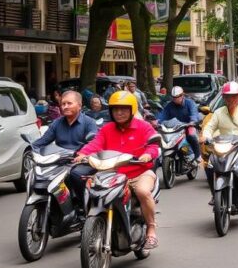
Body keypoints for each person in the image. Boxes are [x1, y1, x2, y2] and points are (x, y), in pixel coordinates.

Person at [73, 92, 161, 248]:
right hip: (111, 174)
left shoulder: (144, 127)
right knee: (90, 187)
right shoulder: (107, 129)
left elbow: (153, 145)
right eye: (115, 109)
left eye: (123, 109)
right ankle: (90, 229)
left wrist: (148, 154)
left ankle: (151, 230)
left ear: (132, 109)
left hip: (139, 173)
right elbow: (96, 144)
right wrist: (83, 154)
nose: (119, 113)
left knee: (142, 191)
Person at [201, 82, 238, 206]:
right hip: (224, 147)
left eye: (234, 96)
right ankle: (214, 194)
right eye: (228, 96)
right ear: (223, 97)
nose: (231, 99)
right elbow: (209, 127)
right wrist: (205, 136)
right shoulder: (218, 112)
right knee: (209, 165)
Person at [32, 91, 97, 155]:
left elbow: (94, 144)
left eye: (69, 103)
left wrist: (83, 153)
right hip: (60, 161)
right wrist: (31, 148)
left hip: (81, 161)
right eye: (63, 104)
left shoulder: (90, 122)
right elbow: (42, 141)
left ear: (79, 106)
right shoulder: (56, 123)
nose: (65, 107)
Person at [158, 86, 203, 166]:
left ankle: (197, 156)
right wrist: (157, 122)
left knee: (191, 135)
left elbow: (194, 113)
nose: (175, 99)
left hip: (188, 126)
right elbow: (163, 115)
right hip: (175, 129)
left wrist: (192, 122)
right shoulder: (169, 106)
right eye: (174, 97)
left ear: (182, 95)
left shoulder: (190, 103)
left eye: (177, 97)